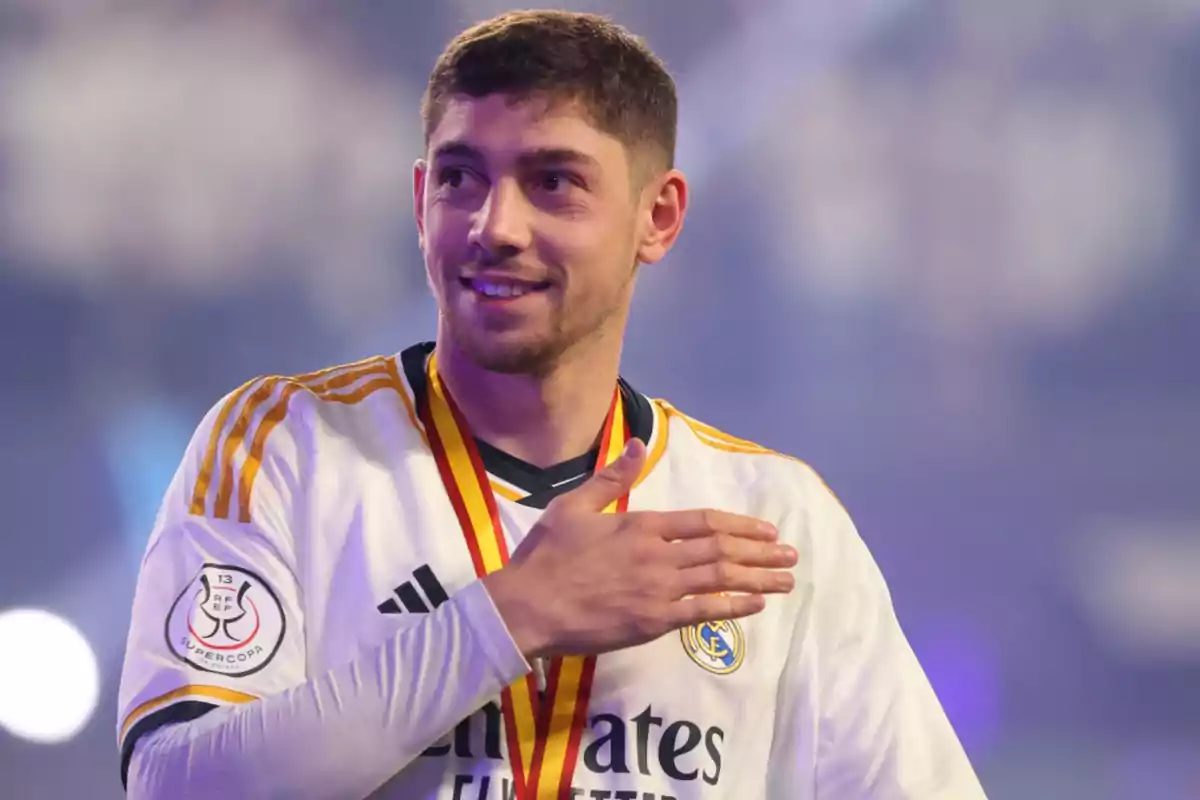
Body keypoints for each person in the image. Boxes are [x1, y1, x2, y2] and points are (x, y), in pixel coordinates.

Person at [116, 9, 986, 799]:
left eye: (554, 182)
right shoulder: (284, 446)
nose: (496, 226)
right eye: (461, 178)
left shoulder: (773, 519)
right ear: (420, 202)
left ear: (660, 217)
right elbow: (177, 786)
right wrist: (517, 612)